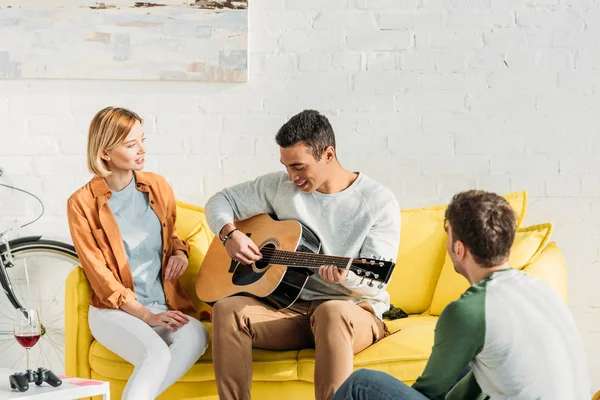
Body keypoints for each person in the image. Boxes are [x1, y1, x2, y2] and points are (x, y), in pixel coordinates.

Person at [204, 109, 401, 400]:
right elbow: (221, 200)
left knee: (331, 311)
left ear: (328, 155)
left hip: (352, 313)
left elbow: (377, 280)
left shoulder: (377, 201)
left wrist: (346, 278)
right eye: (286, 167)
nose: (291, 177)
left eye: (299, 167)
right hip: (289, 310)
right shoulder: (278, 186)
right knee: (227, 310)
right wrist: (229, 234)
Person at [332, 190, 591, 400]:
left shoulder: (470, 309)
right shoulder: (540, 289)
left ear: (458, 248)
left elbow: (427, 392)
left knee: (362, 383)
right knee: (471, 366)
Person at [66, 106, 208, 400]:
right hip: (114, 311)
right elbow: (100, 275)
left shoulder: (157, 186)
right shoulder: (81, 204)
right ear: (105, 152)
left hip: (163, 303)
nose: (142, 150)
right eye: (131, 145)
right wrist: (145, 315)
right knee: (155, 354)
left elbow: (173, 238)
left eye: (142, 140)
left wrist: (180, 254)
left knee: (197, 334)